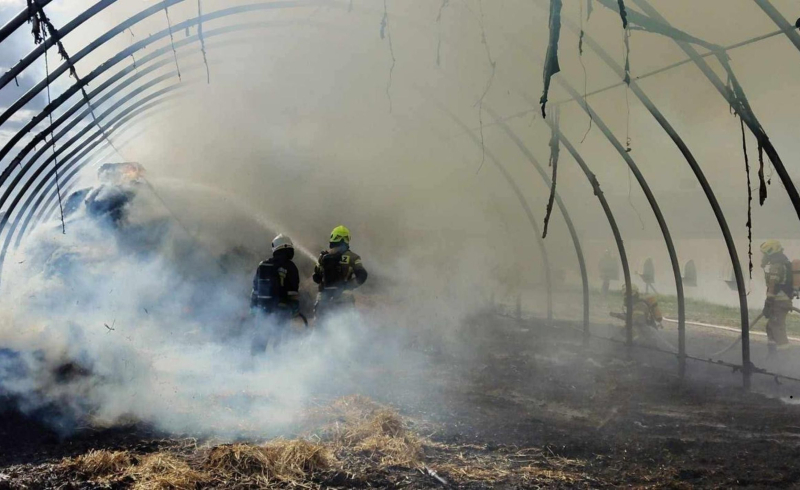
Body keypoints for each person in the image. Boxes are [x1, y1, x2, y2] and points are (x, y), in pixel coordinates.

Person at [250, 234, 300, 353]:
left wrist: (253, 307)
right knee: (281, 343)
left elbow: (255, 289)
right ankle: (278, 368)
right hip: (282, 311)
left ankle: (253, 367)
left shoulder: (263, 265)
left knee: (259, 342)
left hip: (262, 310)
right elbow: (293, 292)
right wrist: (295, 310)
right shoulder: (291, 267)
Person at [312, 225, 368, 322]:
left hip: (324, 300)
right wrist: (347, 285)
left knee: (320, 331)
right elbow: (362, 276)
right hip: (344, 299)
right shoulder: (353, 257)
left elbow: (316, 277)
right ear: (347, 239)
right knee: (345, 330)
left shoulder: (323, 256)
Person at [760, 240, 793, 355]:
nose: (763, 256)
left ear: (771, 252)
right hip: (782, 301)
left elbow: (773, 286)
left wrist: (767, 303)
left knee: (777, 328)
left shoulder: (776, 266)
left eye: (764, 254)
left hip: (778, 302)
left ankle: (784, 359)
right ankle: (772, 355)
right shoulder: (784, 263)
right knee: (770, 327)